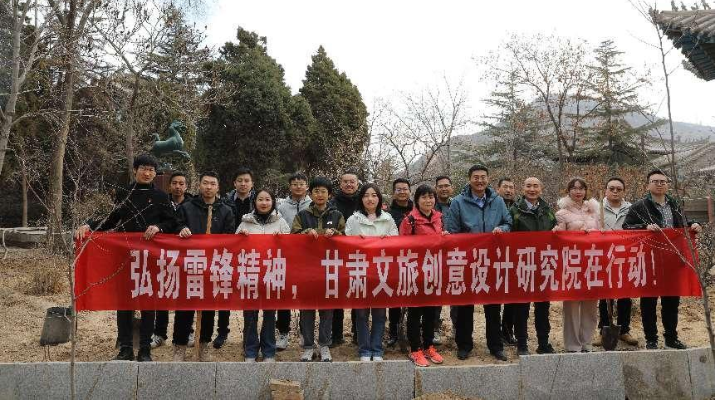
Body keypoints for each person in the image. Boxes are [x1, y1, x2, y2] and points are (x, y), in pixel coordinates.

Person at [74, 154, 178, 362]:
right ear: (135, 170)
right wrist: (89, 225)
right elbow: (111, 218)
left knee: (148, 304)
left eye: (151, 170)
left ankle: (145, 349)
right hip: (126, 257)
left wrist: (158, 227)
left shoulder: (161, 196)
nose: (147, 173)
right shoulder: (124, 193)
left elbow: (172, 222)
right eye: (143, 169)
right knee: (124, 303)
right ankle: (125, 348)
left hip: (150, 258)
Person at [623, 169, 702, 350]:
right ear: (647, 185)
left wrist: (694, 224)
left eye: (663, 181)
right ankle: (651, 338)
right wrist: (645, 227)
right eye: (655, 181)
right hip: (649, 259)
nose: (659, 184)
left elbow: (683, 223)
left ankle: (671, 337)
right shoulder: (639, 206)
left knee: (671, 301)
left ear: (667, 185)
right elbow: (627, 227)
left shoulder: (674, 204)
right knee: (649, 301)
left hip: (673, 259)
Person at [445, 164, 512, 361]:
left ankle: (496, 346)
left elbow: (508, 222)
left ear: (488, 179)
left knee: (493, 306)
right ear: (469, 179)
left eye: (483, 177)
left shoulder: (497, 200)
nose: (480, 180)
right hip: (467, 260)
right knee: (465, 305)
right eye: (476, 177)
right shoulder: (458, 202)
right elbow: (452, 230)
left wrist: (502, 229)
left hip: (492, 260)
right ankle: (464, 345)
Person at [173, 172, 235, 362]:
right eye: (205, 183)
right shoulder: (186, 208)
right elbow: (175, 226)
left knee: (208, 308)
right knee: (184, 308)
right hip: (189, 266)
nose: (208, 187)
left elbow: (229, 237)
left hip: (212, 267)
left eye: (212, 184)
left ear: (218, 187)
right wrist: (181, 229)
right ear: (199, 185)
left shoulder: (225, 211)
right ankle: (179, 346)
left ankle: (204, 344)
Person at [292, 176, 346, 362]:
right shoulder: (302, 215)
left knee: (327, 310)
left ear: (329, 194)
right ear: (311, 193)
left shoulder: (337, 215)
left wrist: (336, 234)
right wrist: (306, 232)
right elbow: (292, 238)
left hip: (329, 269)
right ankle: (308, 346)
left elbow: (346, 239)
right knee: (307, 309)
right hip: (307, 269)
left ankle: (324, 345)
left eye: (324, 191)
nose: (320, 194)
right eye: (316, 191)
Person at [344, 183, 398, 361]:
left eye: (374, 195)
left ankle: (377, 348)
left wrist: (388, 240)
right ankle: (364, 350)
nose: (370, 199)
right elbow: (345, 244)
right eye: (366, 195)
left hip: (381, 271)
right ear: (361, 199)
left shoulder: (388, 219)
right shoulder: (353, 220)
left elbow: (397, 242)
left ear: (379, 198)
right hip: (360, 271)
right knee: (361, 314)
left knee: (380, 314)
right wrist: (355, 240)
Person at [237, 189, 291, 362]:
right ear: (255, 202)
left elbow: (291, 247)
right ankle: (250, 350)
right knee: (250, 314)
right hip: (250, 273)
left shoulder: (281, 222)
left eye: (267, 199)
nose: (264, 203)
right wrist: (240, 237)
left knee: (269, 314)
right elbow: (234, 248)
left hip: (272, 273)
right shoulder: (245, 222)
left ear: (273, 202)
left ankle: (269, 350)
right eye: (260, 199)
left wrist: (282, 239)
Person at [400, 184, 448, 367]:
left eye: (431, 197)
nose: (428, 200)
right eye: (424, 197)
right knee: (415, 312)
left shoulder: (438, 218)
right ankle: (415, 349)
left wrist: (444, 237)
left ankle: (428, 346)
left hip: (434, 270)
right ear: (417, 200)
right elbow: (402, 246)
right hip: (415, 271)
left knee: (431, 312)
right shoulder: (410, 220)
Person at [509, 177, 556, 355]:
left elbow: (554, 229)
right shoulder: (515, 210)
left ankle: (543, 343)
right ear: (523, 189)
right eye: (528, 186)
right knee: (522, 308)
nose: (532, 189)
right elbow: (508, 234)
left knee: (543, 307)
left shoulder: (547, 210)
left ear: (541, 189)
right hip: (522, 265)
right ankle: (522, 344)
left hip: (543, 265)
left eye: (536, 186)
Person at [553, 177, 601, 353]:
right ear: (568, 191)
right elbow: (559, 237)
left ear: (586, 191)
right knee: (572, 305)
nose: (578, 191)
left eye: (581, 188)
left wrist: (595, 233)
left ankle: (587, 341)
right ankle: (573, 344)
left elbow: (602, 233)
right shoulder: (561, 213)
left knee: (590, 305)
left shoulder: (594, 211)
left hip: (592, 262)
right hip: (571, 263)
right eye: (574, 188)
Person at [152, 171, 194, 350]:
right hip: (164, 254)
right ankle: (159, 333)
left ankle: (188, 331)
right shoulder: (161, 202)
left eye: (181, 183)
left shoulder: (193, 204)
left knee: (186, 294)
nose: (178, 186)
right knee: (163, 293)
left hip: (187, 256)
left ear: (186, 186)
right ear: (169, 186)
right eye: (175, 183)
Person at [594, 177, 638, 347]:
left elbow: (637, 228)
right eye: (611, 188)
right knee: (605, 296)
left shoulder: (631, 209)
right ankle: (604, 330)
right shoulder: (597, 208)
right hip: (603, 256)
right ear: (606, 190)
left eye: (619, 189)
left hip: (625, 256)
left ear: (624, 191)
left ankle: (624, 329)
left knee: (625, 294)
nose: (615, 192)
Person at [215, 167, 255, 349]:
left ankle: (249, 332)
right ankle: (222, 331)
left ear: (252, 183)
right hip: (229, 251)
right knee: (225, 291)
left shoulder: (258, 200)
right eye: (240, 180)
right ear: (234, 183)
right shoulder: (224, 202)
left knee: (249, 292)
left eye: (246, 180)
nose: (243, 184)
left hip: (252, 253)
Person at [274, 172, 312, 351]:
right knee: (284, 295)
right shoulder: (281, 207)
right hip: (286, 256)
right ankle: (283, 332)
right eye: (295, 184)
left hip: (307, 257)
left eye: (301, 183)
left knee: (305, 295)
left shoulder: (313, 204)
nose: (298, 186)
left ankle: (305, 332)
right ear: (290, 186)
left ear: (307, 186)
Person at [328, 170, 361, 346]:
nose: (349, 184)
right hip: (337, 254)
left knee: (358, 292)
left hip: (359, 253)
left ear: (357, 184)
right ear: (340, 184)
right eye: (345, 181)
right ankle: (336, 335)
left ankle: (358, 333)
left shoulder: (363, 200)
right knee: (337, 293)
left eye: (352, 181)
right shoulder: (332, 203)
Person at [386, 177, 413, 348]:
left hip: (414, 260)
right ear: (393, 192)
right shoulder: (387, 213)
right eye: (398, 189)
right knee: (394, 299)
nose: (402, 192)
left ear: (410, 191)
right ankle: (394, 332)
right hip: (394, 261)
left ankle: (411, 330)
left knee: (413, 297)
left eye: (405, 189)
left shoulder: (417, 210)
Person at [496, 177, 517, 346]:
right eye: (505, 187)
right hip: (494, 256)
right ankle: (494, 333)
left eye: (511, 187)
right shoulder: (492, 206)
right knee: (495, 298)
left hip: (514, 257)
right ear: (498, 189)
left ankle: (507, 331)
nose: (508, 190)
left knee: (512, 297)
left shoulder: (518, 208)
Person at [433, 175, 454, 345]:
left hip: (456, 255)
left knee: (456, 293)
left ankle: (457, 328)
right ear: (436, 188)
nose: (444, 189)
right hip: (435, 256)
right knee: (436, 294)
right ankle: (434, 328)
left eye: (447, 185)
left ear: (451, 188)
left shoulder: (458, 204)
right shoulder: (429, 204)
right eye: (440, 186)